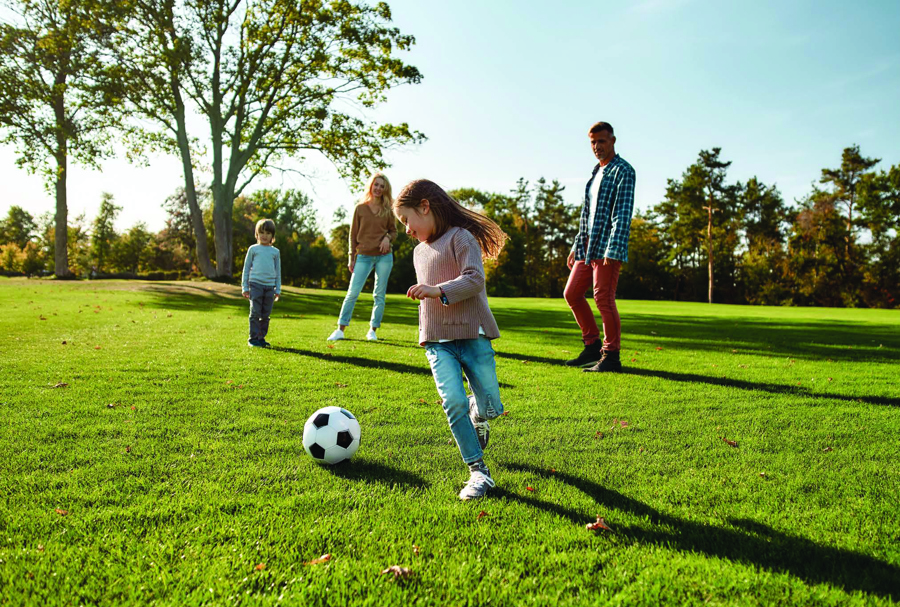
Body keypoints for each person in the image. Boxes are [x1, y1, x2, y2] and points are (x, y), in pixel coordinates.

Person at [393, 179, 507, 500]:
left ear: (425, 207)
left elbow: (474, 279)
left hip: (472, 333)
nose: (406, 230)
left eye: (406, 220)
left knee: (490, 406)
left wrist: (438, 290)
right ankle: (478, 472)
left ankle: (479, 413)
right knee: (452, 401)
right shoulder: (418, 253)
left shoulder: (462, 238)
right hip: (437, 340)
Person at [564, 121, 636, 372]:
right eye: (593, 142)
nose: (597, 146)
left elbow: (622, 213)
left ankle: (611, 355)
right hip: (587, 245)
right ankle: (592, 345)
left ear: (613, 141)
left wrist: (613, 247)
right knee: (572, 294)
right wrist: (576, 244)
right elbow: (586, 214)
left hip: (607, 247)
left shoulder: (623, 171)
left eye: (602, 141)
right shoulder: (595, 173)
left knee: (603, 299)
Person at [328, 172, 398, 342]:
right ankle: (340, 329)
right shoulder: (360, 208)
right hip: (363, 256)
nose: (379, 188)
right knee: (352, 293)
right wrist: (351, 257)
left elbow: (394, 231)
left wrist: (387, 238)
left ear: (385, 189)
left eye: (382, 186)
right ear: (371, 186)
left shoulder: (388, 209)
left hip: (384, 257)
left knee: (379, 295)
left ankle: (372, 330)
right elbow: (352, 235)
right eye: (376, 185)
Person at [241, 218, 282, 348]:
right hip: (255, 285)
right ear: (257, 234)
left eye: (268, 233)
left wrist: (278, 289)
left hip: (270, 287)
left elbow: (278, 271)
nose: (265, 236)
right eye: (262, 232)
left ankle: (261, 338)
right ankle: (253, 339)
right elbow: (246, 268)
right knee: (255, 313)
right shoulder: (253, 249)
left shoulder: (275, 252)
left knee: (265, 315)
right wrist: (245, 286)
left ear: (272, 236)